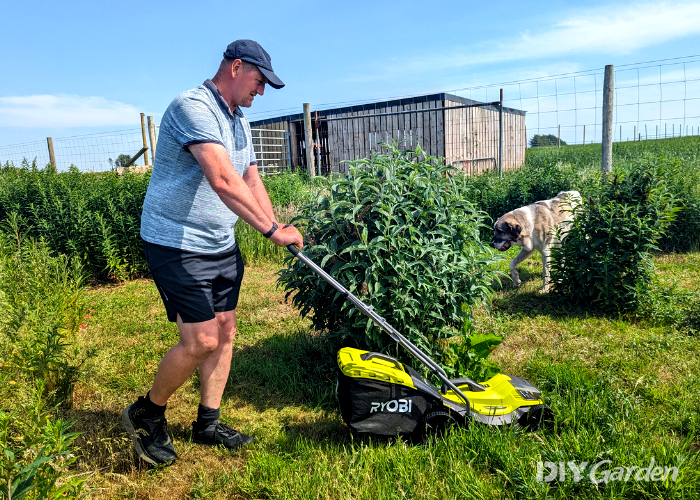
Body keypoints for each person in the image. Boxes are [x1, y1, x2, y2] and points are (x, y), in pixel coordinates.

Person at [122, 39, 303, 465]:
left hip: (219, 241)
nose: (260, 92)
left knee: (225, 330)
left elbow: (250, 179)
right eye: (259, 82)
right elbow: (222, 178)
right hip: (175, 241)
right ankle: (147, 412)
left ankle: (207, 422)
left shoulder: (240, 121)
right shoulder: (192, 107)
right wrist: (272, 230)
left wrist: (273, 226)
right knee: (202, 339)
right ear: (236, 68)